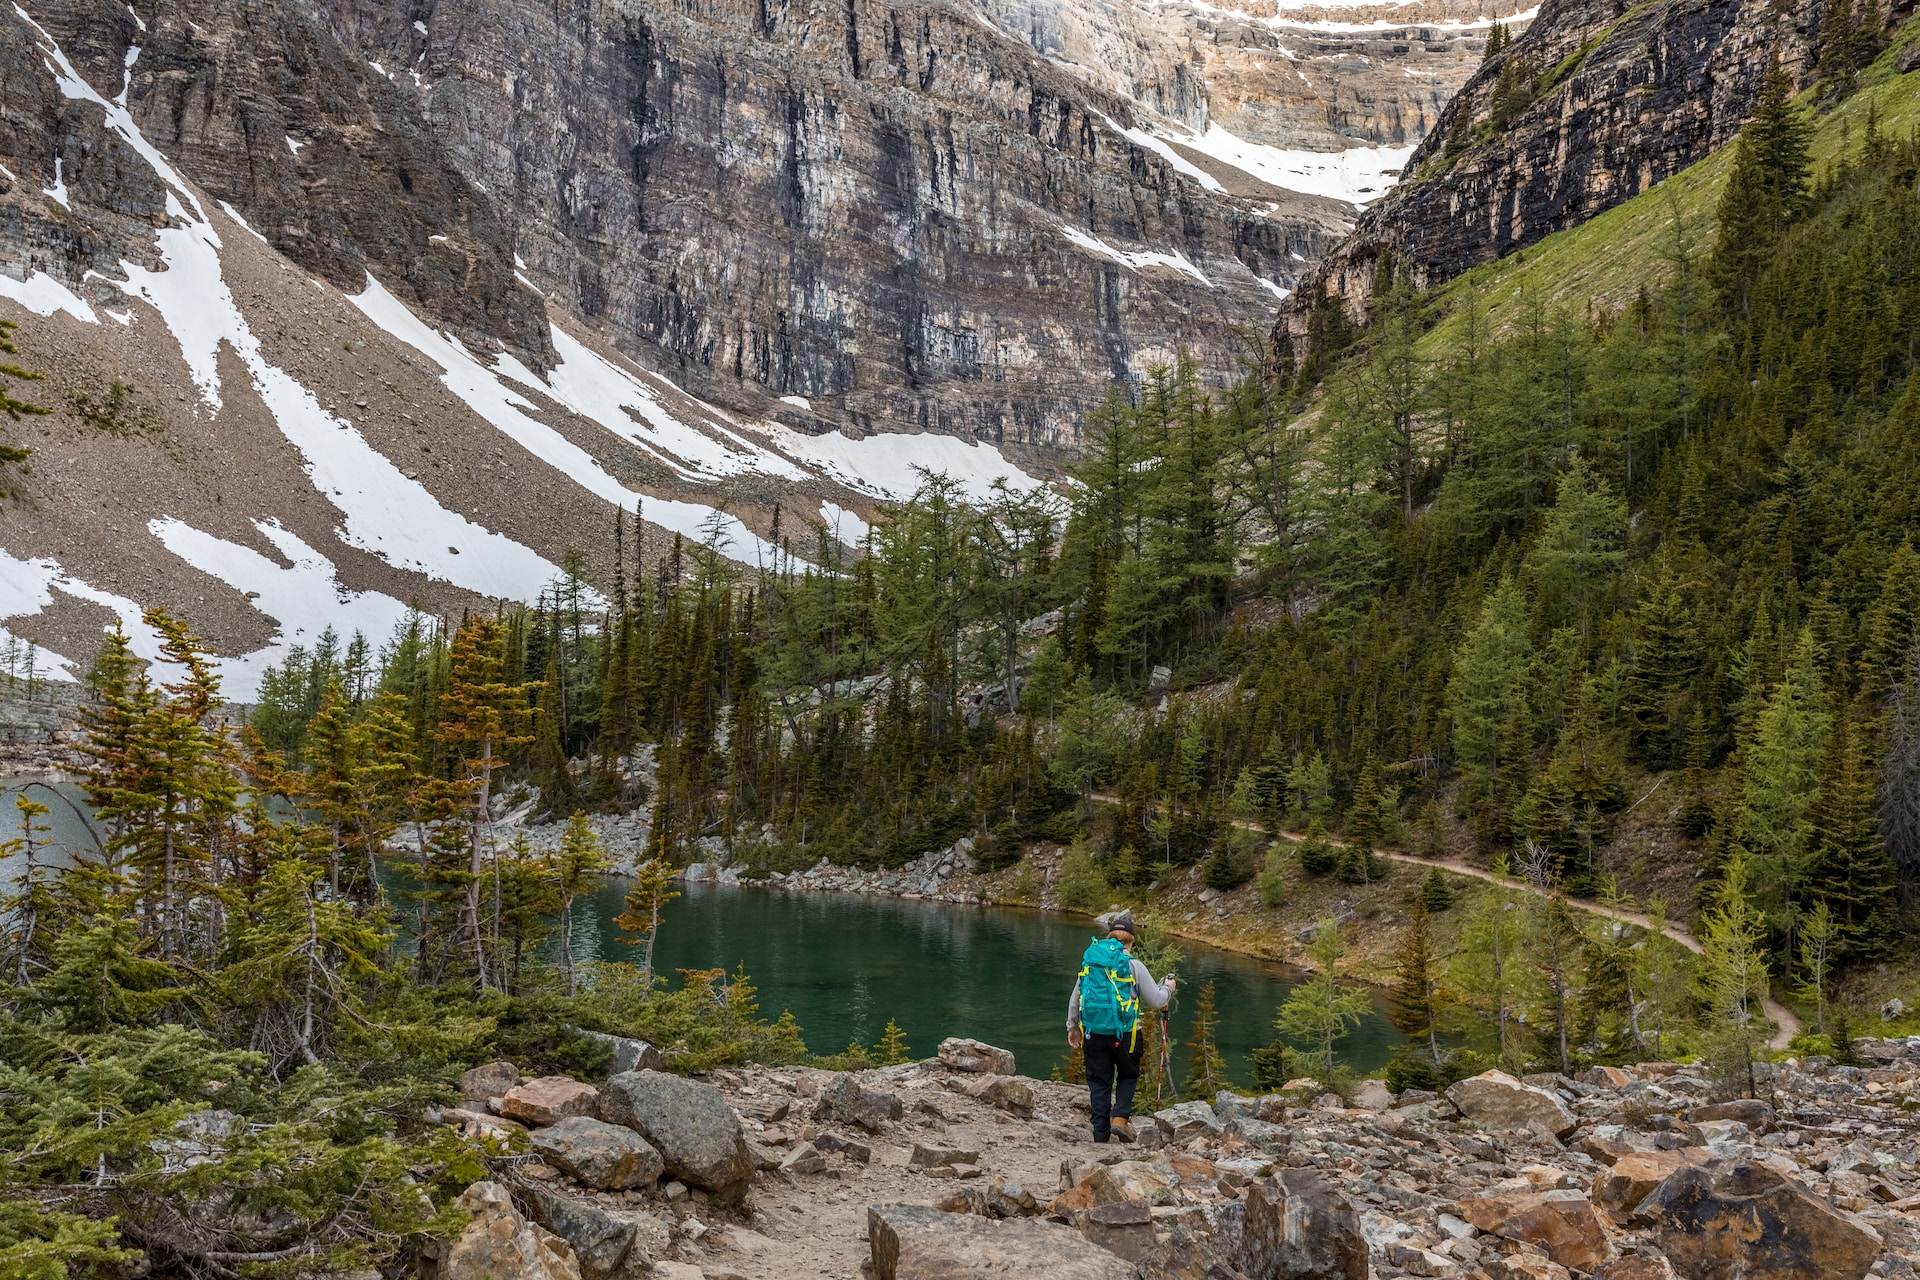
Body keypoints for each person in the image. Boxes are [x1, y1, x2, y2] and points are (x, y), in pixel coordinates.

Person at [1066, 910, 1174, 1143]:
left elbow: (1076, 997)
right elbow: (1157, 1000)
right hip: (1127, 1034)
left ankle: (1100, 1135)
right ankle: (1119, 1119)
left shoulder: (1091, 961)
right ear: (1131, 942)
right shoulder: (1133, 965)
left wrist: (1073, 1027)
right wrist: (1169, 987)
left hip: (1094, 1032)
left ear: (1108, 937)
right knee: (1127, 1075)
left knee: (1099, 1082)